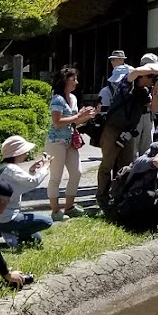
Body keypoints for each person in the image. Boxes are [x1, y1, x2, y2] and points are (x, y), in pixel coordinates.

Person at [95, 63, 158, 209]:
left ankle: (119, 196)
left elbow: (154, 108)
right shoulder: (126, 86)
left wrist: (156, 92)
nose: (153, 81)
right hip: (113, 129)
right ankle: (102, 197)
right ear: (143, 77)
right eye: (151, 78)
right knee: (107, 164)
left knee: (126, 165)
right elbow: (136, 71)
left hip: (128, 132)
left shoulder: (144, 92)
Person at [46, 65, 95, 219]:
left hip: (70, 141)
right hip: (56, 142)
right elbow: (57, 122)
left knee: (76, 172)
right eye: (74, 79)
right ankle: (55, 212)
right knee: (56, 177)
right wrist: (77, 117)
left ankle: (69, 207)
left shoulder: (73, 98)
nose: (76, 82)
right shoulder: (57, 99)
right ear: (65, 80)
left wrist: (88, 115)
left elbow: (74, 122)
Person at [0, 137, 53, 248]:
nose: (26, 154)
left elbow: (24, 184)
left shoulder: (2, 167)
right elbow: (33, 182)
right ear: (17, 153)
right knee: (47, 221)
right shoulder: (12, 169)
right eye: (24, 151)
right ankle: (11, 234)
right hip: (8, 218)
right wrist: (46, 166)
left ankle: (3, 232)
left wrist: (32, 171)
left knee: (36, 239)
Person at [134, 51, 158, 150]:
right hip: (134, 116)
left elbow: (154, 108)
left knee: (147, 149)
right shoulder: (133, 82)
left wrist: (154, 91)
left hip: (148, 116)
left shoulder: (156, 84)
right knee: (132, 149)